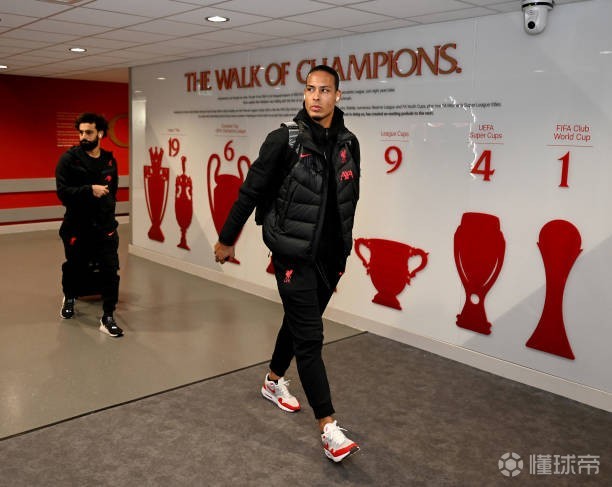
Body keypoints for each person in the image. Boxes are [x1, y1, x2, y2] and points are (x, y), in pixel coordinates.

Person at [214, 65, 361, 462]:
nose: (316, 97)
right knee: (311, 337)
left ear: (338, 96)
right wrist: (227, 239)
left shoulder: (349, 143)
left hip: (331, 260)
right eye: (310, 89)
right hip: (292, 255)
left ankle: (272, 381)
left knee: (298, 323)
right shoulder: (284, 140)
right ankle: (328, 427)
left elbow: (349, 199)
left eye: (324, 90)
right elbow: (249, 193)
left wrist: (344, 248)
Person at [56, 112, 123, 337]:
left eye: (89, 132)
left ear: (100, 134)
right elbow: (63, 193)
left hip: (105, 228)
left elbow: (113, 193)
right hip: (77, 227)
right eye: (81, 132)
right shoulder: (69, 160)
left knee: (110, 270)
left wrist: (109, 218)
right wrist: (89, 190)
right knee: (75, 267)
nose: (83, 136)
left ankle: (108, 316)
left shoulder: (110, 161)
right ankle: (70, 297)